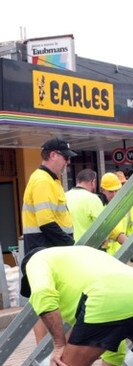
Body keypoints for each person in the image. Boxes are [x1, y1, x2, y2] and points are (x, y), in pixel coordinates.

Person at [20, 246, 133, 366]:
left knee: (63, 363)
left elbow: (42, 293)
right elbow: (113, 345)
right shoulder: (81, 256)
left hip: (106, 298)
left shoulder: (37, 259)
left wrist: (59, 345)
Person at [21, 138, 76, 345]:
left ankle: (47, 350)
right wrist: (71, 247)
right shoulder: (43, 181)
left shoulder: (51, 180)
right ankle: (45, 350)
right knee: (48, 302)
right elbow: (46, 222)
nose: (67, 163)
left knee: (49, 301)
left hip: (46, 248)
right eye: (65, 158)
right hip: (45, 248)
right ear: (53, 155)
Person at [66, 169, 126, 245]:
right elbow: (106, 225)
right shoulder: (92, 199)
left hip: (68, 248)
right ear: (92, 182)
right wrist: (124, 240)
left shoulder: (65, 196)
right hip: (87, 249)